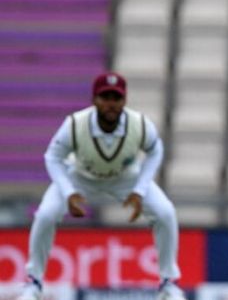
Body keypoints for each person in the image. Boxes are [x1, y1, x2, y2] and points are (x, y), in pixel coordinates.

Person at [17, 72, 186, 300]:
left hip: (126, 178)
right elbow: (52, 157)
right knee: (46, 215)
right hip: (79, 176)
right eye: (104, 97)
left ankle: (168, 283)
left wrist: (140, 190)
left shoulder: (140, 124)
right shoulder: (75, 123)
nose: (110, 104)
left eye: (115, 98)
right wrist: (69, 192)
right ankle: (33, 282)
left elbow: (156, 150)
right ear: (94, 99)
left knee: (165, 212)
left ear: (124, 100)